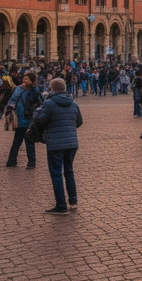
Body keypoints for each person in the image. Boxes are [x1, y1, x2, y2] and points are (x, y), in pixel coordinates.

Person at [36, 78, 83, 214]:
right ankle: (73, 201)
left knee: (56, 173)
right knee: (69, 171)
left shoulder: (49, 104)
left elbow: (40, 121)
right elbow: (79, 122)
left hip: (56, 143)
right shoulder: (74, 103)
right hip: (72, 142)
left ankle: (61, 205)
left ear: (52, 89)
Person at [6, 72, 42, 169]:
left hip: (29, 119)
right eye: (24, 78)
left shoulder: (35, 90)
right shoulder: (20, 89)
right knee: (17, 141)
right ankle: (12, 161)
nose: (24, 81)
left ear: (32, 81)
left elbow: (38, 102)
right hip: (21, 118)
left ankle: (31, 162)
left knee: (29, 141)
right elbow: (13, 99)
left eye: (27, 79)